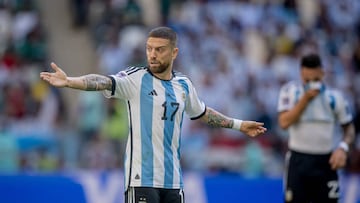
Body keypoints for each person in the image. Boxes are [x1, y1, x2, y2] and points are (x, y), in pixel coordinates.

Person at [40, 26, 266, 203]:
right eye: (149, 49)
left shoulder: (183, 85)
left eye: (159, 49)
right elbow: (103, 81)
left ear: (174, 52)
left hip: (174, 181)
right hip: (141, 179)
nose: (153, 54)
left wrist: (239, 125)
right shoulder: (135, 79)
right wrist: (70, 81)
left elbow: (203, 113)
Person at [277, 53, 355, 203]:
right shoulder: (290, 92)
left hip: (326, 161)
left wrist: (343, 148)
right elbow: (284, 122)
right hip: (298, 161)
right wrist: (304, 100)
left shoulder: (335, 97)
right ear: (301, 74)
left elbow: (349, 128)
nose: (312, 84)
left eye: (316, 80)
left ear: (322, 73)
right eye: (307, 80)